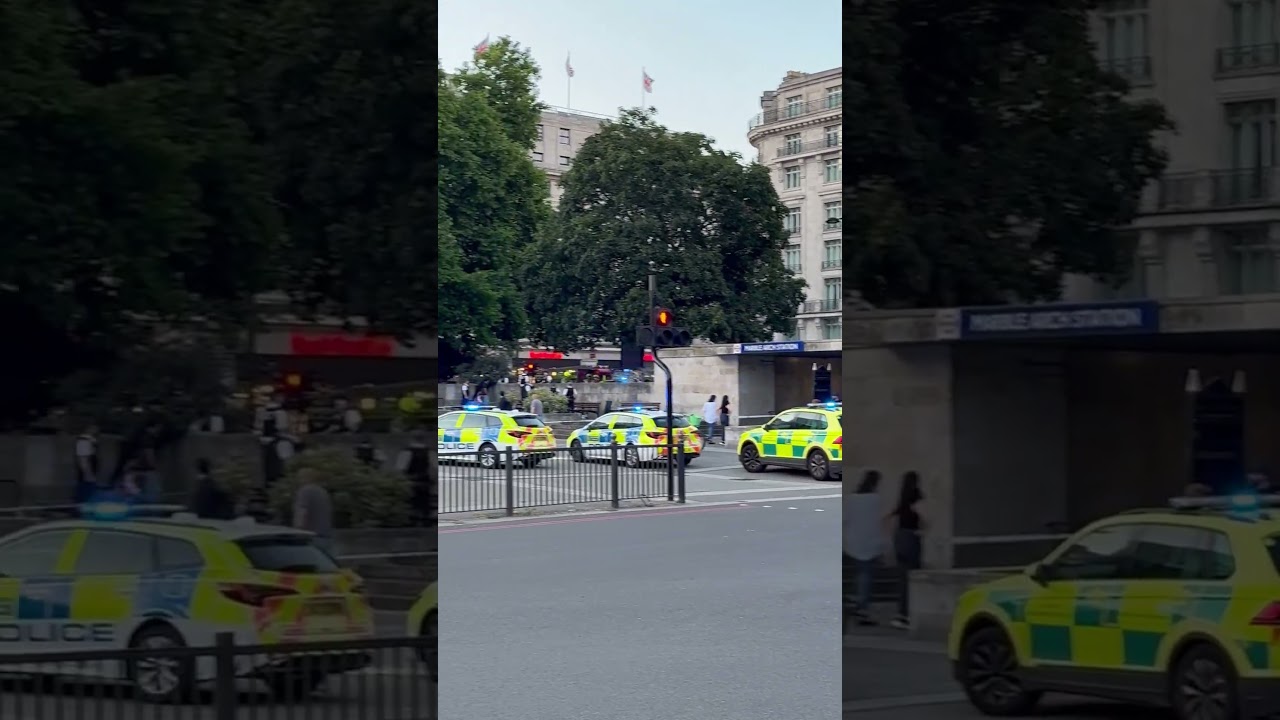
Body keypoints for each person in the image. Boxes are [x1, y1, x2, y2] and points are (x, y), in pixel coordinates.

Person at [888, 471, 926, 630]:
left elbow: (891, 517)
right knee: (913, 577)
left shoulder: (902, 498)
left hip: (900, 537)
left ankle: (901, 614)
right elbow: (925, 517)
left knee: (903, 578)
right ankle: (910, 614)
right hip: (911, 538)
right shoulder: (918, 496)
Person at [845, 471, 883, 626]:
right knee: (865, 575)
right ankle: (862, 607)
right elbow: (876, 523)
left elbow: (845, 519)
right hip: (868, 542)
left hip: (853, 541)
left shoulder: (852, 499)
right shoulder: (875, 500)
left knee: (860, 573)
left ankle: (857, 601)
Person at [292, 468, 334, 554]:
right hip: (326, 536)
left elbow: (302, 512)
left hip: (310, 538)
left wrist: (297, 531)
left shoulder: (304, 491)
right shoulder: (323, 492)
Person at [396, 430, 433, 526]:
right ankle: (424, 519)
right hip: (424, 480)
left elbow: (400, 468)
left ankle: (412, 519)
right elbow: (435, 467)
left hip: (410, 480)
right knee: (424, 501)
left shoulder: (406, 451)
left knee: (411, 501)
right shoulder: (429, 451)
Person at [73, 424, 100, 504]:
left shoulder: (91, 440)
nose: (97, 431)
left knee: (86, 491)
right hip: (87, 474)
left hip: (89, 472)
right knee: (85, 492)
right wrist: (88, 474)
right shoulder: (83, 440)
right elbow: (82, 459)